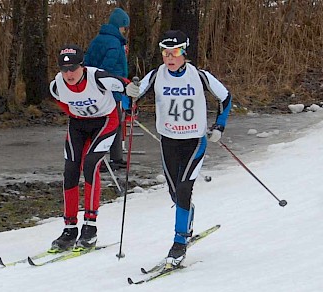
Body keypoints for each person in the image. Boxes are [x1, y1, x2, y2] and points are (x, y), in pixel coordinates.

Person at [125, 30, 232, 268]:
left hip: (194, 141)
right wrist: (128, 97)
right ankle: (187, 217)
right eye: (165, 53)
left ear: (184, 53)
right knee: (175, 193)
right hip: (168, 141)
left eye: (174, 53)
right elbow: (129, 103)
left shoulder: (200, 76)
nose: (169, 58)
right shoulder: (155, 76)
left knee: (184, 189)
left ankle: (179, 242)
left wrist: (219, 127)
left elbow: (225, 98)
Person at [49, 44, 135, 252]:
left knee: (90, 165)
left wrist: (129, 101)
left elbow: (125, 86)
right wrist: (75, 112)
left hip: (105, 122)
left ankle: (90, 227)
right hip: (78, 125)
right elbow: (59, 100)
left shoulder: (98, 77)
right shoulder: (57, 85)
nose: (69, 74)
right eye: (64, 69)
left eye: (73, 69)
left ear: (82, 67)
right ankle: (70, 228)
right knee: (70, 170)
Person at [84, 7, 130, 171]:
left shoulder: (97, 40)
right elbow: (107, 68)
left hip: (96, 88)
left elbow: (87, 62)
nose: (125, 31)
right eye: (125, 27)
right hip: (111, 89)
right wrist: (111, 84)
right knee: (113, 123)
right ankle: (108, 158)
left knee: (106, 122)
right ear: (120, 26)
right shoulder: (114, 43)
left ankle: (112, 157)